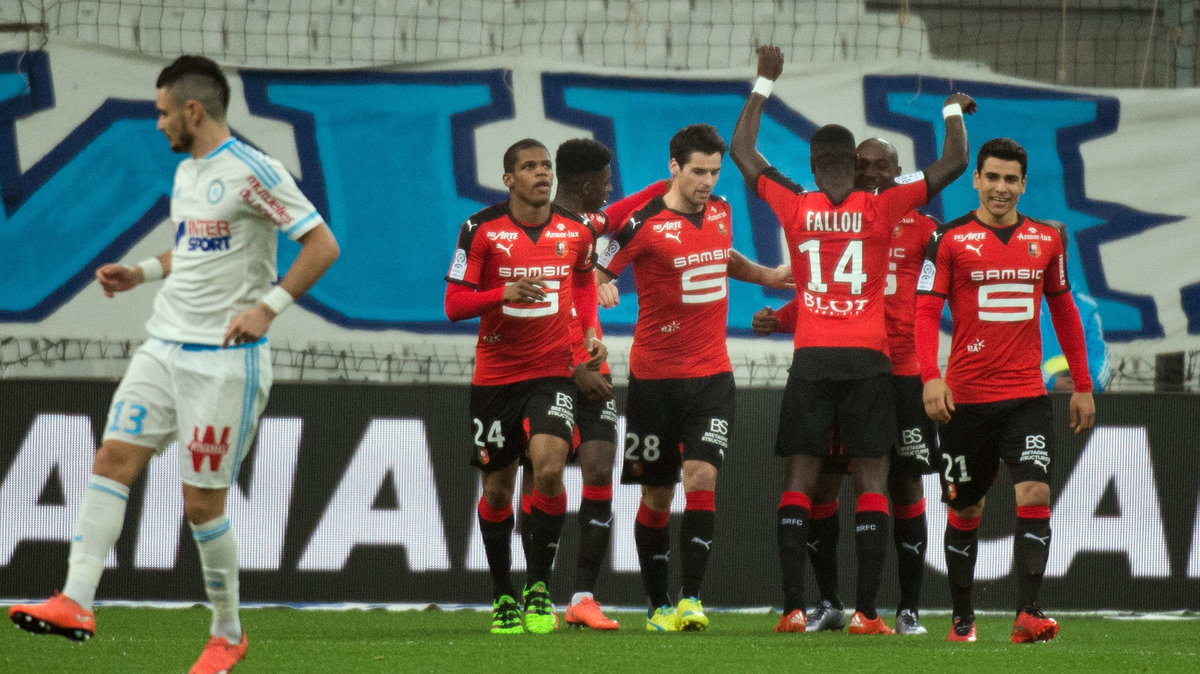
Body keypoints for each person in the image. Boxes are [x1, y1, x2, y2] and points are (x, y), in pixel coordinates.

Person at [8, 55, 340, 673]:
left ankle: (226, 634)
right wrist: (142, 271)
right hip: (163, 344)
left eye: (163, 113)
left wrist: (267, 309)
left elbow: (323, 244)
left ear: (193, 110)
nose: (157, 124)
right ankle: (75, 600)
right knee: (112, 458)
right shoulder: (188, 173)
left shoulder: (251, 170)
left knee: (199, 505)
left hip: (223, 362)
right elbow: (194, 245)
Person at [729, 44, 973, 635]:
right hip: (869, 358)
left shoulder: (796, 202)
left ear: (813, 165)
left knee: (804, 478)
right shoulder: (885, 206)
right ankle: (861, 610)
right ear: (852, 164)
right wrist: (951, 112)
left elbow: (741, 151)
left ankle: (796, 607)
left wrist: (764, 81)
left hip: (819, 360)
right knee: (868, 480)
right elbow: (953, 165)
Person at [596, 123, 790, 632]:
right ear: (673, 168)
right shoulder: (643, 224)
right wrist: (601, 287)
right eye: (698, 171)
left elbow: (721, 257)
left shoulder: (722, 210)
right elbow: (598, 268)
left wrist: (767, 275)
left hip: (711, 375)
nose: (707, 181)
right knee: (657, 495)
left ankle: (691, 599)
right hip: (655, 379)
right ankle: (658, 604)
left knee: (701, 476)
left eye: (714, 171)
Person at [748, 137, 941, 635]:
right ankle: (833, 602)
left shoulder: (925, 231)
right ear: (850, 169)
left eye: (883, 165)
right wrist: (783, 317)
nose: (872, 171)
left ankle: (908, 609)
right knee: (828, 485)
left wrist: (939, 372)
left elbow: (937, 302)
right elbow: (823, 292)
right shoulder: (866, 215)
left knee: (905, 485)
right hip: (865, 365)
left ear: (900, 172)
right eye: (864, 164)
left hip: (903, 375)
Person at [915, 137, 1097, 643]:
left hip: (1025, 398)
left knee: (1035, 491)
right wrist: (931, 375)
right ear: (976, 179)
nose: (1000, 187)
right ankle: (962, 619)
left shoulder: (1047, 240)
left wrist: (1082, 385)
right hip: (966, 401)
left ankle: (1028, 613)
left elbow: (1063, 310)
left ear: (1023, 184)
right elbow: (927, 310)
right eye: (991, 177)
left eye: (1010, 179)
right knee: (966, 509)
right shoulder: (948, 240)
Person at [444, 138, 605, 635]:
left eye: (546, 166)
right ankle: (502, 593)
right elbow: (454, 304)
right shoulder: (480, 230)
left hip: (553, 369)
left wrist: (590, 333)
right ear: (509, 178)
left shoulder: (575, 231)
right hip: (496, 376)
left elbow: (582, 284)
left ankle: (539, 586)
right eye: (529, 167)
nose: (541, 173)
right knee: (497, 489)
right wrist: (501, 293)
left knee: (550, 467)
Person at [531, 138, 666, 630]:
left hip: (593, 366)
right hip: (549, 369)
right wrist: (574, 367)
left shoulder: (587, 228)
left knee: (599, 465)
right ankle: (536, 590)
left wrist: (672, 184)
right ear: (587, 183)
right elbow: (538, 314)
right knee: (545, 472)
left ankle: (583, 596)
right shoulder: (538, 232)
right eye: (606, 181)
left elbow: (624, 211)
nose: (611, 190)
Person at [1041, 291, 1111, 393]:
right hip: (1035, 398)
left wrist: (1091, 382)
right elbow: (1016, 359)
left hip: (1081, 395)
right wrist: (1049, 382)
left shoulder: (1086, 306)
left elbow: (1098, 353)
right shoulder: (1025, 301)